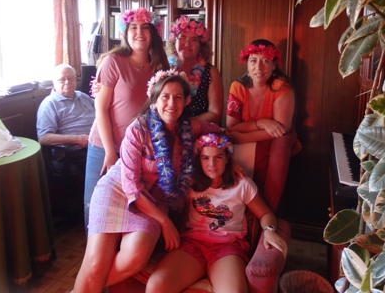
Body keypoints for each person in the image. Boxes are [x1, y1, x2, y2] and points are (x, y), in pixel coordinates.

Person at [73, 71, 222, 292]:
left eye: (178, 97)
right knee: (95, 265)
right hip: (117, 191)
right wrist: (165, 222)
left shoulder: (189, 129)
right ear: (154, 99)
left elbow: (218, 133)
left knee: (136, 255)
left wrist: (230, 159)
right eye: (165, 96)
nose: (171, 103)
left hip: (154, 201)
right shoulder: (138, 129)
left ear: (186, 101)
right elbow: (132, 187)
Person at [146, 133, 288, 293]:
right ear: (199, 159)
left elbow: (265, 214)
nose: (212, 164)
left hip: (227, 247)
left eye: (218, 157)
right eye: (205, 158)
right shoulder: (190, 182)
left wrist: (269, 230)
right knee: (156, 287)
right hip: (192, 244)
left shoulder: (242, 185)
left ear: (228, 158)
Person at [84, 8, 170, 226]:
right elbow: (100, 109)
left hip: (138, 149)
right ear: (125, 32)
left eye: (145, 27)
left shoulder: (160, 67)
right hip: (105, 146)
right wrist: (110, 152)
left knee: (128, 207)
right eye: (133, 27)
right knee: (94, 206)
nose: (139, 33)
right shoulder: (113, 62)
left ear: (153, 32)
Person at [225, 39, 300, 212]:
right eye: (253, 60)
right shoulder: (237, 87)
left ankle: (267, 213)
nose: (258, 67)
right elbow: (231, 126)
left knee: (281, 142)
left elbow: (281, 130)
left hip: (276, 138)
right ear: (247, 63)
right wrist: (261, 123)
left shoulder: (282, 88)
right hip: (260, 133)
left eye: (265, 61)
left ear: (274, 65)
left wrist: (241, 138)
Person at [36, 63, 95, 177]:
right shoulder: (49, 104)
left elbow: (102, 110)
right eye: (62, 80)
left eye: (71, 78)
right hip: (75, 151)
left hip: (97, 143)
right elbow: (43, 138)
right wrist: (78, 139)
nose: (67, 82)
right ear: (54, 82)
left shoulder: (82, 96)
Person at [167, 16, 223, 124]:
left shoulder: (211, 72)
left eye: (193, 39)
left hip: (199, 129)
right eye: (182, 37)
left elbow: (215, 113)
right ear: (174, 42)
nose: (187, 44)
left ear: (201, 46)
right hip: (168, 127)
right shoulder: (164, 67)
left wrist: (185, 126)